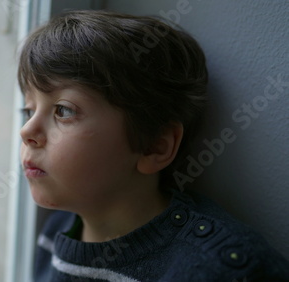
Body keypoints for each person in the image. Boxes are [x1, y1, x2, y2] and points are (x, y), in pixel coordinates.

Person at [17, 10, 289, 282]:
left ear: (154, 147)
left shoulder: (224, 267)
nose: (26, 131)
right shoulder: (57, 231)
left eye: (63, 110)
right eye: (29, 111)